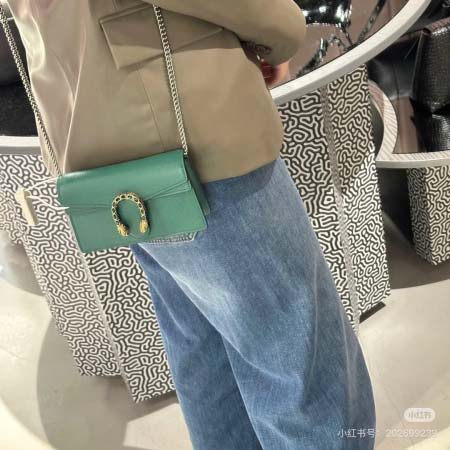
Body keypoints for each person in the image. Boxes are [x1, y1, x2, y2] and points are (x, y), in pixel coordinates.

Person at [7, 0, 376, 448]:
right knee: (299, 364)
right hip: (192, 129)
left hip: (104, 132)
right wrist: (281, 28)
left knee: (204, 352)